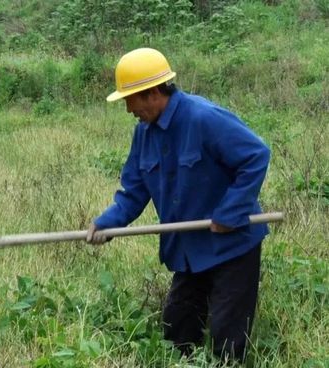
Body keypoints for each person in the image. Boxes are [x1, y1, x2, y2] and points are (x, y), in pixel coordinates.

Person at [86, 48, 270, 361]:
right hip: (190, 251)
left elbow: (256, 155)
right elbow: (134, 190)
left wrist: (229, 212)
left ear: (153, 93)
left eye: (129, 100)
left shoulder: (203, 117)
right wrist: (107, 222)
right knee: (177, 331)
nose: (129, 109)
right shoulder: (144, 134)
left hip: (232, 247)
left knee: (227, 341)